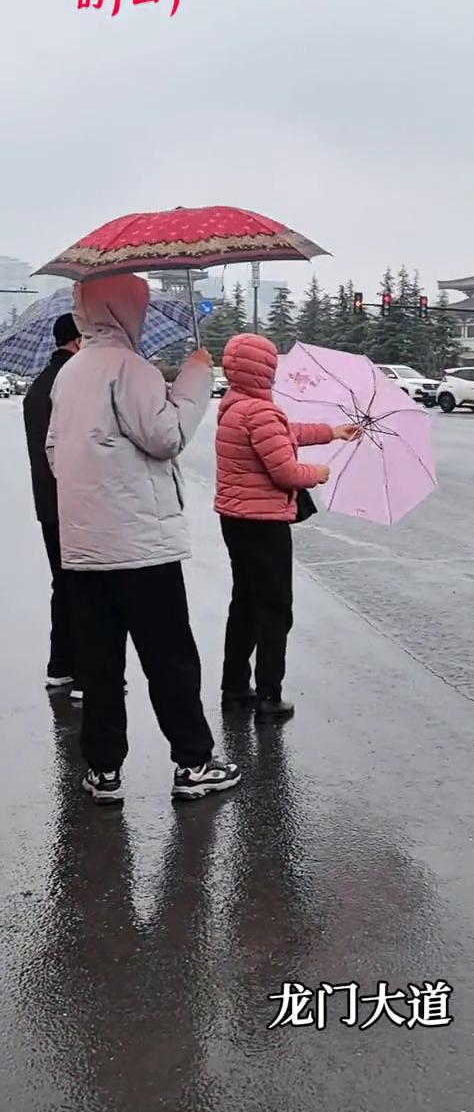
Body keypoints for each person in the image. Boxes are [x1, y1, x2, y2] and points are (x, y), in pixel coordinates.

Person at [46, 273, 239, 805]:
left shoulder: (72, 372)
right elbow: (166, 437)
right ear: (128, 307)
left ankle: (104, 772)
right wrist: (196, 379)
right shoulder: (132, 368)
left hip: (84, 544)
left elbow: (54, 449)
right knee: (169, 657)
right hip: (139, 544)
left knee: (101, 663)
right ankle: (193, 763)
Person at [215, 333, 358, 723]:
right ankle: (269, 695)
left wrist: (333, 431)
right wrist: (320, 473)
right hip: (264, 525)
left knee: (244, 603)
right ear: (264, 369)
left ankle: (235, 688)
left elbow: (286, 433)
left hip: (236, 519)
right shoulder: (260, 412)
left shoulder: (234, 406)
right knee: (275, 609)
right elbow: (286, 471)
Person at [23, 313, 82, 694]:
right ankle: (86, 675)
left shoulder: (36, 388)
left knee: (63, 584)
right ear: (78, 340)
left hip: (47, 503)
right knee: (87, 587)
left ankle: (60, 666)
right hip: (78, 500)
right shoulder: (74, 384)